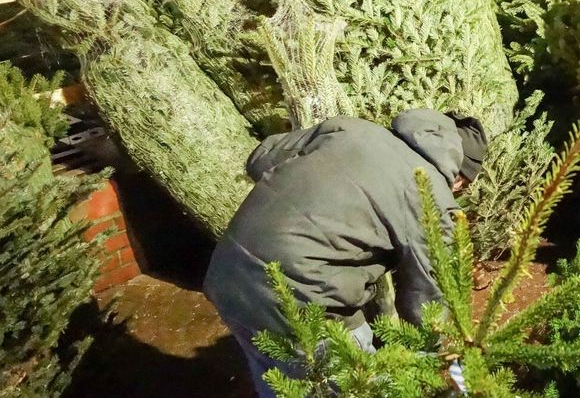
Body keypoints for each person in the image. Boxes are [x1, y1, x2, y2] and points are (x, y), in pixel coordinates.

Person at [204, 110, 488, 397]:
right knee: (358, 385)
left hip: (227, 271)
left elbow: (260, 157)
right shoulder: (431, 197)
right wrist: (441, 358)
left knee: (279, 379)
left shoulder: (352, 129)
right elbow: (429, 307)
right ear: (460, 178)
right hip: (306, 300)